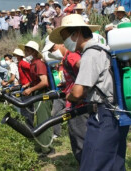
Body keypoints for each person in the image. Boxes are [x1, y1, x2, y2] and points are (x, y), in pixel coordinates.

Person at [50, 14, 129, 171]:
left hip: (103, 116)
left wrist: (69, 95)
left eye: (66, 37)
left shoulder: (90, 54)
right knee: (114, 163)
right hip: (115, 113)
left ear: (77, 32)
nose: (65, 42)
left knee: (92, 164)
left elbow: (78, 92)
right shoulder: (103, 49)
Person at [44, 35, 89, 163]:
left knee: (81, 143)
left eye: (53, 48)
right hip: (74, 103)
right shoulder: (65, 58)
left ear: (61, 44)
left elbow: (86, 69)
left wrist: (77, 92)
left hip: (78, 104)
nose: (53, 52)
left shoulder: (71, 56)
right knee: (76, 141)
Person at [19, 41, 54, 156]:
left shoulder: (38, 63)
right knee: (39, 122)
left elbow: (44, 82)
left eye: (28, 50)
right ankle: (41, 146)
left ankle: (48, 149)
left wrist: (31, 89)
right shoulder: (33, 63)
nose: (25, 52)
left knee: (44, 122)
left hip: (43, 95)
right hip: (38, 95)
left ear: (33, 51)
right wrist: (29, 85)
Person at [13, 48, 34, 128]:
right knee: (24, 107)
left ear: (19, 56)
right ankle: (25, 125)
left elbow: (33, 71)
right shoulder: (19, 64)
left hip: (27, 87)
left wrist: (29, 83)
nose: (15, 57)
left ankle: (29, 126)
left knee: (27, 108)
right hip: (23, 86)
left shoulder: (23, 63)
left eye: (16, 55)